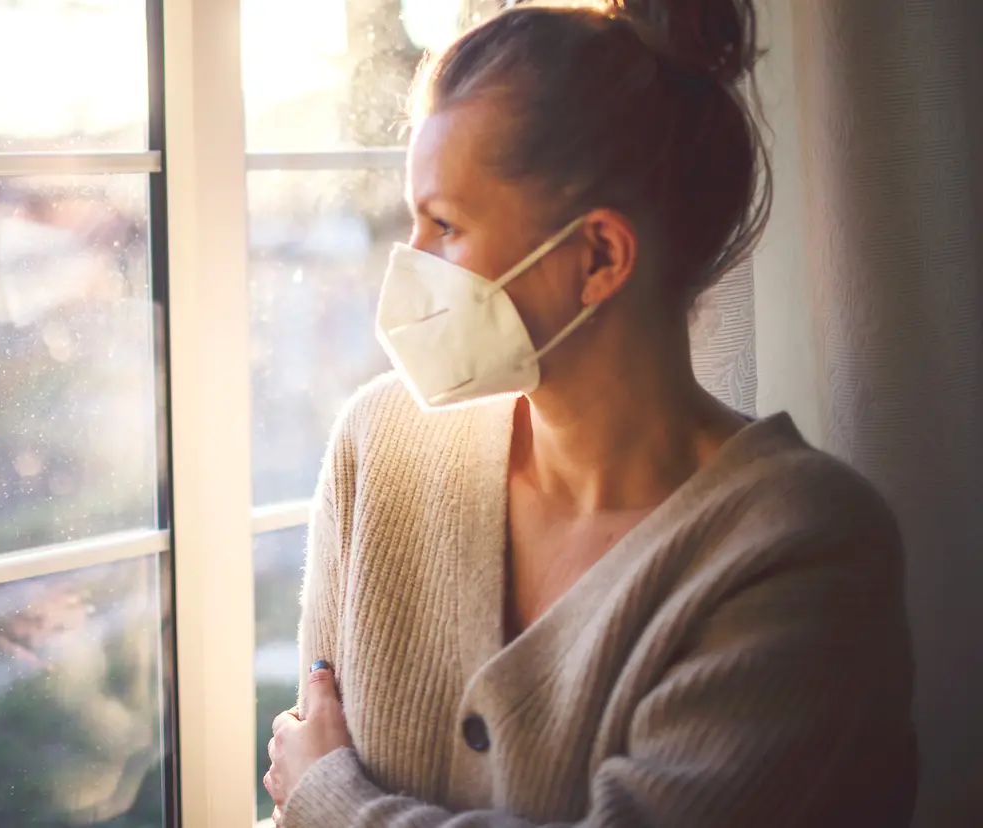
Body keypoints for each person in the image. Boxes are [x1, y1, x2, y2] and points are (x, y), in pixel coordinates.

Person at [261, 0, 918, 826]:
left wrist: (333, 802)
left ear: (600, 256)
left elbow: (310, 787)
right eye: (413, 218)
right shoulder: (380, 442)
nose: (411, 265)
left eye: (446, 225)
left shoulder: (804, 551)